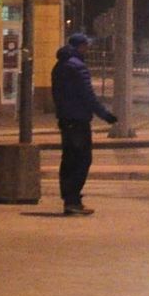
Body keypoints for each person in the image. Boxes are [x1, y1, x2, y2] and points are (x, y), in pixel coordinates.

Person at [51, 33, 117, 216]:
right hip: (78, 120)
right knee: (82, 160)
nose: (88, 49)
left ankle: (69, 199)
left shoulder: (59, 65)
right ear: (80, 46)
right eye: (86, 46)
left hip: (65, 119)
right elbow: (88, 96)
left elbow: (56, 94)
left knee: (68, 160)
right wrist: (106, 115)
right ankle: (73, 200)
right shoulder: (78, 67)